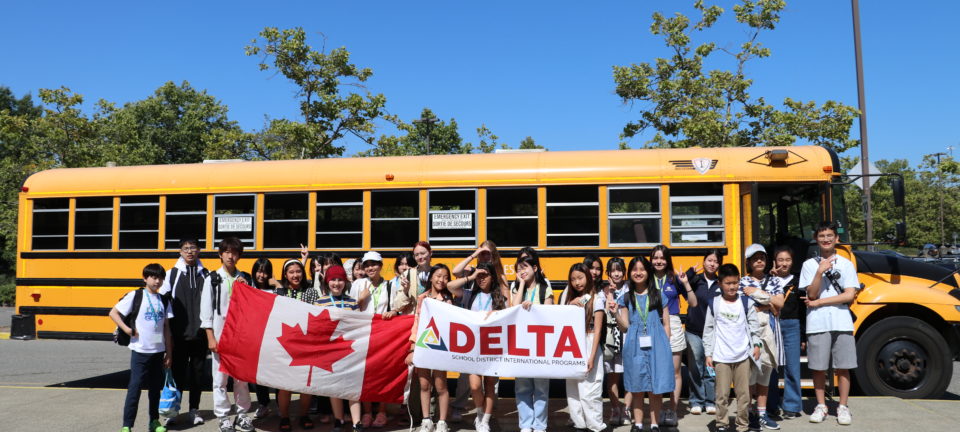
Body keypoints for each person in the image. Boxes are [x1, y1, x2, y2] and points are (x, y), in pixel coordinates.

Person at [801, 222, 859, 425]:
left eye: (830, 235)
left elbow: (849, 295)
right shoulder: (809, 265)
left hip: (842, 322)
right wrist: (819, 272)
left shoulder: (846, 264)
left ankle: (842, 407)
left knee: (843, 367)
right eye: (822, 235)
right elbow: (811, 293)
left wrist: (818, 303)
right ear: (816, 238)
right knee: (818, 368)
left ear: (836, 239)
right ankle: (821, 406)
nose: (826, 239)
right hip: (817, 323)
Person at [199, 237, 255, 432]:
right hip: (221, 335)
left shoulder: (245, 277)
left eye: (235, 252)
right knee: (220, 378)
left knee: (241, 378)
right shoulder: (212, 279)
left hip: (241, 337)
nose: (231, 256)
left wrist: (246, 287)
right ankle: (223, 416)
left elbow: (254, 307)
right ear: (220, 254)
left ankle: (242, 414)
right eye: (227, 252)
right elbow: (206, 312)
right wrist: (210, 337)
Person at [110, 263, 174, 432]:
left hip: (158, 352)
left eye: (160, 278)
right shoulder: (136, 295)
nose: (157, 281)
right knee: (135, 388)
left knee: (155, 390)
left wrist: (169, 352)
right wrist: (127, 330)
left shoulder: (164, 300)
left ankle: (154, 422)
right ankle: (127, 425)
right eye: (153, 277)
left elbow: (167, 328)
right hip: (140, 351)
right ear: (145, 278)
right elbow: (113, 313)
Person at [448, 262, 507, 432]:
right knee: (474, 385)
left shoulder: (499, 298)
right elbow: (450, 286)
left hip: (492, 348)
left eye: (485, 275)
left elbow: (509, 317)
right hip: (473, 347)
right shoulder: (468, 295)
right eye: (479, 276)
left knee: (489, 385)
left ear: (492, 277)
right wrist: (471, 276)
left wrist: (498, 314)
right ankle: (480, 414)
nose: (481, 279)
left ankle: (485, 420)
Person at [616, 256, 673, 432]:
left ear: (648, 272)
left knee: (656, 388)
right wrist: (615, 314)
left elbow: (666, 323)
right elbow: (625, 327)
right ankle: (638, 424)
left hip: (658, 343)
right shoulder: (626, 297)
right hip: (634, 345)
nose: (638, 273)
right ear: (629, 273)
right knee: (637, 386)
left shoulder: (658, 294)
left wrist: (666, 344)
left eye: (642, 269)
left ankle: (655, 424)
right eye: (634, 269)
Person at [704, 264, 762, 432]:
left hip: (743, 356)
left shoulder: (746, 302)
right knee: (721, 395)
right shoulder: (714, 303)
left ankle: (742, 425)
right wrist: (708, 354)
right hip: (721, 357)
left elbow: (754, 326)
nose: (732, 287)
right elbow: (708, 329)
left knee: (743, 395)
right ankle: (722, 424)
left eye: (735, 283)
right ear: (720, 283)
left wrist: (757, 344)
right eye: (728, 283)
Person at [158, 239, 208, 427]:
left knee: (197, 376)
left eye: (193, 248)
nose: (189, 252)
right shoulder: (171, 275)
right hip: (178, 336)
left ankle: (194, 410)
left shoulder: (207, 274)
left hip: (200, 336)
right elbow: (160, 302)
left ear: (199, 251)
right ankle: (173, 411)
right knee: (177, 375)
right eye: (185, 249)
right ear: (180, 251)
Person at [406, 264, 457, 432]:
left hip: (441, 347)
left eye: (445, 277)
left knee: (441, 386)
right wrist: (412, 348)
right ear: (430, 277)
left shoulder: (450, 299)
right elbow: (417, 323)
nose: (441, 280)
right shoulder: (423, 298)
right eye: (438, 275)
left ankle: (442, 421)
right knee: (424, 385)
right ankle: (426, 420)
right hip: (423, 345)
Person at [649, 245, 696, 426]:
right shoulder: (647, 278)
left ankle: (672, 411)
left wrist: (685, 282)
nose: (658, 261)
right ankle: (658, 410)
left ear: (667, 260)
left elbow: (693, 302)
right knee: (656, 370)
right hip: (652, 324)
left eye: (662, 258)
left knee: (675, 371)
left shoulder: (674, 279)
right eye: (655, 258)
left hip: (674, 324)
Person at [739, 244, 784, 430]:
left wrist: (756, 294)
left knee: (765, 374)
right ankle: (749, 413)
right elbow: (742, 306)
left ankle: (762, 414)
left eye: (762, 258)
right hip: (748, 333)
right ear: (748, 262)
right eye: (755, 258)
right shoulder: (741, 281)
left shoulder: (775, 281)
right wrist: (769, 303)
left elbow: (779, 304)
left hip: (769, 332)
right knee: (749, 376)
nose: (759, 261)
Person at [315, 265, 364, 432]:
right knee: (334, 387)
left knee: (352, 386)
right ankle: (339, 419)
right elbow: (317, 327)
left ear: (345, 281)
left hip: (349, 350)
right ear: (327, 281)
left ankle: (357, 422)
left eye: (340, 280)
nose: (336, 283)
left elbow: (359, 326)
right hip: (330, 352)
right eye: (333, 280)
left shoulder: (352, 302)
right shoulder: (320, 302)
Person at [509, 251, 554, 432]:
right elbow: (513, 309)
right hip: (521, 344)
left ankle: (540, 425)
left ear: (535, 268)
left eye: (525, 268)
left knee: (541, 387)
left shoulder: (545, 287)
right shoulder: (515, 286)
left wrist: (534, 307)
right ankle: (526, 425)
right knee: (522, 386)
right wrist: (520, 285)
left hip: (541, 345)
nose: (522, 271)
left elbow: (551, 312)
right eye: (519, 269)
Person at [560, 263, 607, 432]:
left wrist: (592, 357)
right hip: (572, 345)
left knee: (590, 391)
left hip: (589, 343)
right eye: (573, 279)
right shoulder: (570, 297)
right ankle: (579, 424)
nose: (577, 282)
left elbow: (598, 330)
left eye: (580, 278)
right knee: (573, 390)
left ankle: (595, 426)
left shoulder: (597, 298)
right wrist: (570, 304)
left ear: (588, 276)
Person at [275, 259, 320, 431]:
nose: (295, 275)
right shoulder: (279, 292)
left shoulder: (311, 292)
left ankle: (303, 415)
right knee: (284, 386)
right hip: (284, 344)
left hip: (306, 344)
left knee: (304, 385)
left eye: (298, 271)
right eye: (291, 272)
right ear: (285, 275)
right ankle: (285, 417)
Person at [353, 251, 395, 427]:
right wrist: (360, 300)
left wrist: (392, 312)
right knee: (366, 374)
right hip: (363, 334)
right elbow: (351, 310)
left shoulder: (390, 285)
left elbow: (394, 308)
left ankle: (382, 411)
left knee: (383, 373)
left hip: (383, 335)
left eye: (374, 264)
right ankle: (367, 412)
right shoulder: (358, 284)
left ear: (381, 265)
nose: (371, 268)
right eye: (367, 265)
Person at [683, 250, 723, 417]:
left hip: (713, 332)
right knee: (696, 366)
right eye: (709, 260)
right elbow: (681, 282)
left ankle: (710, 401)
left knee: (711, 367)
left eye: (715, 261)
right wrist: (691, 272)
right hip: (693, 330)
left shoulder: (721, 283)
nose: (712, 264)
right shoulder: (695, 279)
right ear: (704, 261)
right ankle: (696, 401)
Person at [768, 246, 803, 420]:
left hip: (792, 325)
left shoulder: (798, 281)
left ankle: (792, 405)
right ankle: (771, 405)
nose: (784, 263)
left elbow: (803, 310)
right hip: (772, 324)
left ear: (792, 261)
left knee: (792, 366)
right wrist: (770, 277)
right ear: (774, 261)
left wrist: (803, 336)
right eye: (780, 260)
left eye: (787, 260)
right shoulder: (768, 280)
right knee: (772, 366)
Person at [250, 257, 281, 419]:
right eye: (259, 271)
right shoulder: (249, 288)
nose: (261, 275)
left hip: (273, 338)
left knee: (276, 374)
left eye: (265, 272)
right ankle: (263, 404)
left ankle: (280, 404)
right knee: (259, 375)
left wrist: (277, 284)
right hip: (256, 338)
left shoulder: (274, 290)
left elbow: (285, 300)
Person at [602, 257, 631, 426]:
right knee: (612, 375)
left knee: (629, 376)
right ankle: (615, 408)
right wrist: (610, 292)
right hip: (611, 338)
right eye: (613, 270)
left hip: (627, 337)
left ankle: (626, 409)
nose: (617, 273)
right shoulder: (603, 290)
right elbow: (605, 311)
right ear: (608, 273)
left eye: (619, 270)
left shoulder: (630, 289)